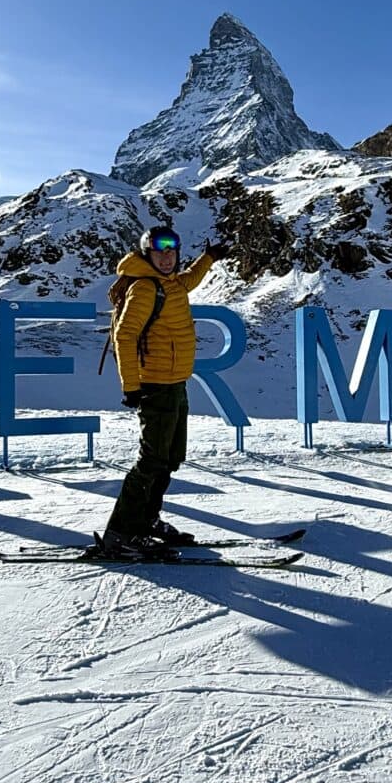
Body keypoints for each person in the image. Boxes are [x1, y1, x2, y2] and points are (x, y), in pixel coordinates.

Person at [101, 225, 229, 558]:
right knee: (152, 460)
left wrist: (209, 257)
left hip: (175, 383)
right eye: (160, 252)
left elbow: (190, 279)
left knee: (170, 458)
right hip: (155, 386)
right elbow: (125, 337)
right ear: (147, 254)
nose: (168, 257)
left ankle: (146, 521)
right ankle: (121, 532)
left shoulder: (170, 284)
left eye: (172, 251)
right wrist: (131, 387)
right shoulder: (144, 288)